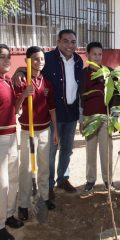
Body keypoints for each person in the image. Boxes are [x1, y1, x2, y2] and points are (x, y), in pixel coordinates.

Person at [14, 29, 83, 200]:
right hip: (54, 113)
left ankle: (63, 179)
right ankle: (49, 186)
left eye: (73, 42)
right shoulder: (49, 59)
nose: (69, 45)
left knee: (67, 150)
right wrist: (20, 71)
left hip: (71, 113)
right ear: (58, 42)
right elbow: (33, 65)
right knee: (50, 151)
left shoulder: (78, 61)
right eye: (65, 41)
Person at [15, 46, 58, 221]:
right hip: (28, 132)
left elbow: (52, 108)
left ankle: (44, 198)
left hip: (44, 130)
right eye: (35, 59)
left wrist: (55, 132)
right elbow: (15, 109)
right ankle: (23, 204)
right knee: (26, 169)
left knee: (44, 167)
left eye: (42, 59)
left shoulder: (46, 82)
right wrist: (24, 94)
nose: (39, 62)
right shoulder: (21, 80)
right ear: (27, 60)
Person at [80, 42, 115, 192]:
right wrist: (81, 120)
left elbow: (115, 96)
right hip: (89, 118)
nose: (97, 57)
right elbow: (80, 96)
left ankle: (108, 180)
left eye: (100, 54)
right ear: (87, 55)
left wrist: (114, 117)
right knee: (91, 150)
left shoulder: (109, 72)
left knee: (107, 151)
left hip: (105, 118)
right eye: (94, 54)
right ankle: (90, 180)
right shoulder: (83, 73)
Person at [0, 44, 25, 240]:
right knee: (3, 184)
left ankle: (9, 215)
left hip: (11, 135)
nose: (7, 60)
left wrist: (24, 96)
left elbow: (15, 110)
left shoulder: (7, 80)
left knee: (14, 179)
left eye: (9, 56)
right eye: (2, 57)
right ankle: (0, 225)